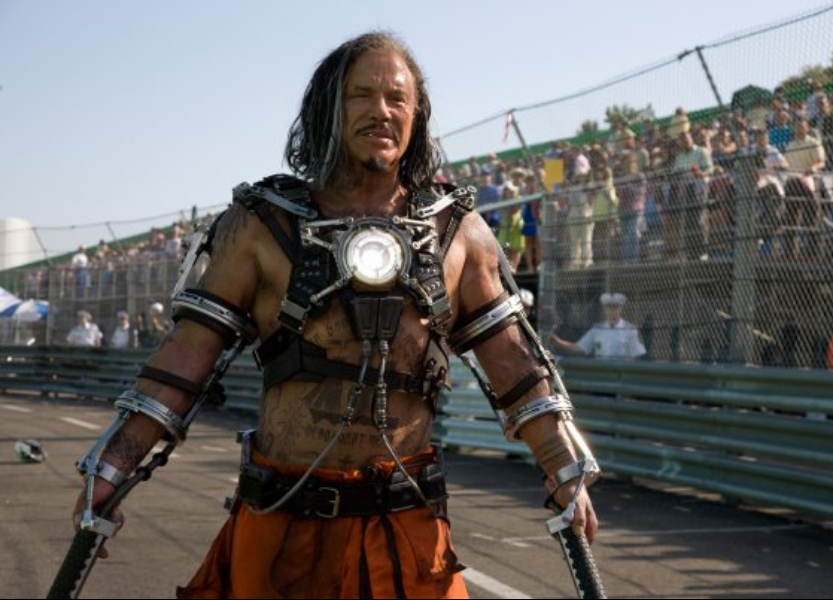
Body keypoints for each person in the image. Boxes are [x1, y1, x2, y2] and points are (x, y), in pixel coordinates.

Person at [71, 32, 598, 600]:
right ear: (328, 107)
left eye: (398, 99)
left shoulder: (457, 231)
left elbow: (517, 367)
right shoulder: (262, 223)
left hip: (408, 533)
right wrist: (111, 469)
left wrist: (566, 469)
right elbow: (185, 360)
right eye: (361, 95)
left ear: (417, 116)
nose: (381, 112)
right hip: (280, 529)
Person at [548, 293, 647, 360]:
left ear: (620, 309)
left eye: (615, 307)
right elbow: (579, 348)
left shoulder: (629, 330)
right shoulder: (597, 329)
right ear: (605, 309)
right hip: (602, 376)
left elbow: (637, 355)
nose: (611, 311)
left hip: (621, 378)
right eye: (609, 308)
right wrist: (559, 342)